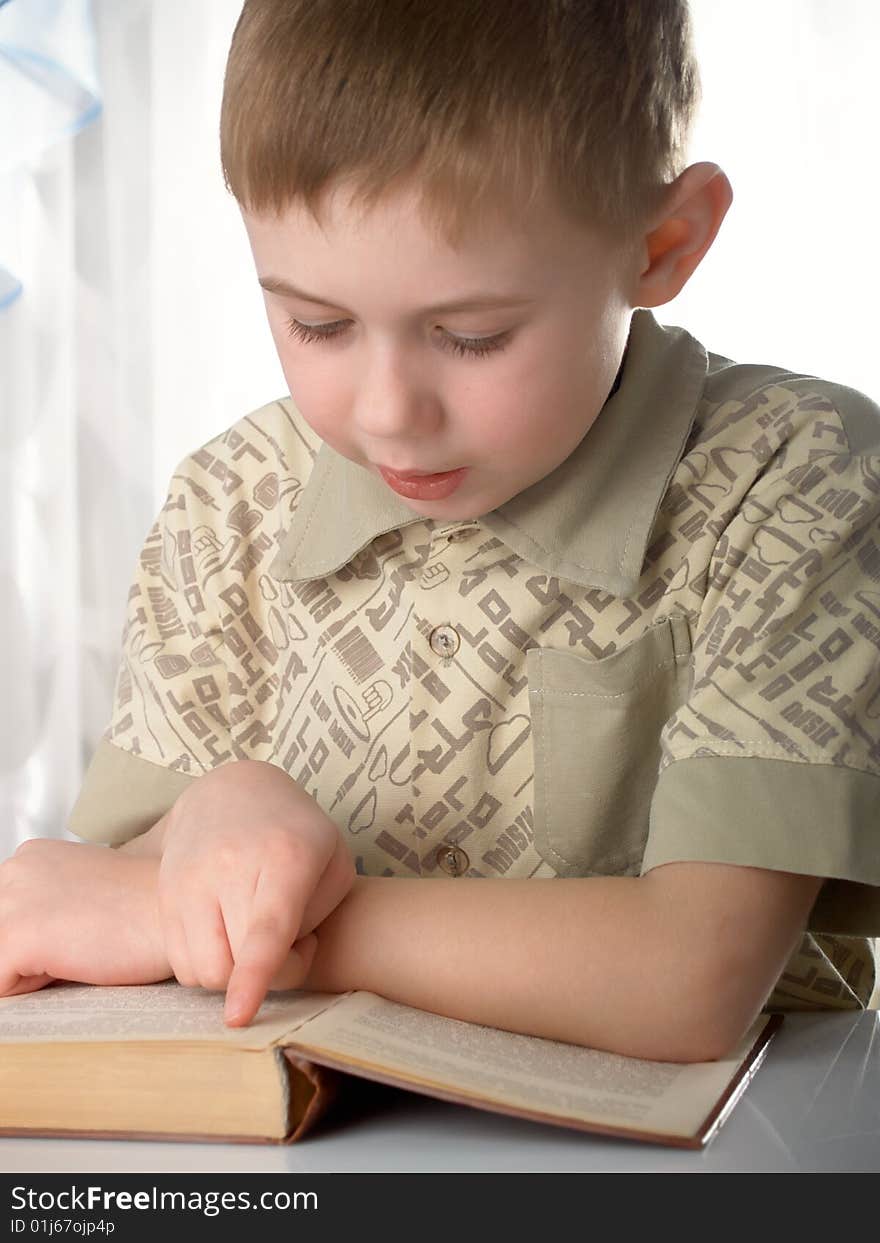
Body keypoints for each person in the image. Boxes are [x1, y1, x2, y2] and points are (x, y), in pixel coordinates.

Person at [2, 0, 877, 1064]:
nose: (384, 413)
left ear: (663, 243)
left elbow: (689, 979)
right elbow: (101, 888)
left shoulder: (792, 476)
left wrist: (247, 928)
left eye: (470, 337)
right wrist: (208, 819)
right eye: (315, 324)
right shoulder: (226, 504)